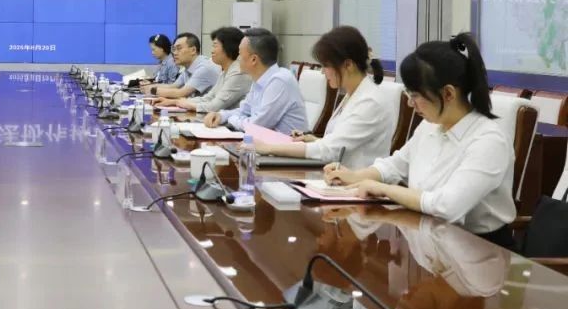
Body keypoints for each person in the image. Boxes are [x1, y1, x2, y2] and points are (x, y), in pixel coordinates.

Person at [325, 33, 517, 246]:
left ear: (448, 94)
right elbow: (395, 165)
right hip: (427, 235)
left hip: (478, 249)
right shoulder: (430, 126)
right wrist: (354, 176)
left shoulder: (489, 141)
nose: (410, 103)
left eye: (415, 95)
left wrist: (385, 189)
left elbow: (447, 206)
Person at [251, 26, 393, 168]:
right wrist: (314, 140)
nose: (322, 72)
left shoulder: (370, 102)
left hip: (354, 179)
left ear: (348, 65)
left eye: (326, 66)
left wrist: (268, 148)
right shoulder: (352, 94)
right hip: (337, 174)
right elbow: (339, 143)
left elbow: (332, 150)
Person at [203, 28, 307, 134]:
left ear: (253, 59)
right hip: (263, 141)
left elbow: (257, 125)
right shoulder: (258, 79)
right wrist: (221, 116)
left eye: (240, 54)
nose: (237, 58)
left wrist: (231, 119)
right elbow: (244, 110)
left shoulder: (280, 81)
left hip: (285, 143)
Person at [157, 27, 251, 113]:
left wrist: (182, 103)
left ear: (228, 47)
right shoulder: (226, 71)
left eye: (215, 46)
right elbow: (209, 98)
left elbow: (214, 106)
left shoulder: (238, 73)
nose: (212, 51)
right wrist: (174, 102)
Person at [140, 32, 219, 99]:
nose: (174, 53)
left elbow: (181, 93)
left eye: (179, 48)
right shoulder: (187, 68)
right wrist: (148, 86)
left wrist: (152, 90)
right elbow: (173, 86)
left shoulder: (204, 67)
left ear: (193, 50)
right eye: (174, 49)